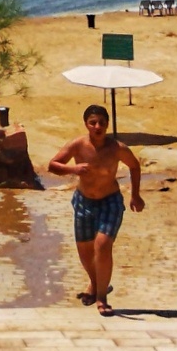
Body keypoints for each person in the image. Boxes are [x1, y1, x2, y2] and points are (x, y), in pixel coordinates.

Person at [50, 102, 146, 309]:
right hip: (84, 201)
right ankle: (95, 283)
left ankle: (102, 298)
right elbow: (53, 165)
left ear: (107, 124)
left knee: (102, 245)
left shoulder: (117, 148)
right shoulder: (77, 145)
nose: (97, 126)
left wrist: (135, 195)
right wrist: (73, 169)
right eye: (93, 122)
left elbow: (134, 166)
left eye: (102, 122)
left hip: (109, 202)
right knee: (85, 251)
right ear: (86, 124)